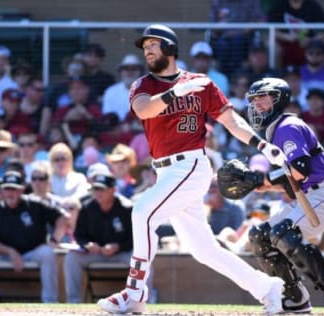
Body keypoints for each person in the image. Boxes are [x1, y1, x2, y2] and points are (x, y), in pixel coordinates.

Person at [96, 24, 285, 315]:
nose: (147, 51)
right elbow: (145, 109)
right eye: (144, 47)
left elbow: (231, 121)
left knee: (142, 211)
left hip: (190, 165)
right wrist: (174, 93)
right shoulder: (143, 85)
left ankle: (135, 292)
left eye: (153, 45)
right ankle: (267, 287)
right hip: (165, 171)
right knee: (204, 250)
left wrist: (262, 146)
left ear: (170, 48)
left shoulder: (201, 83)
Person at [244, 77, 324, 314]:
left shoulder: (287, 126)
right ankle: (294, 298)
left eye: (263, 97)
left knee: (284, 233)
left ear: (279, 99)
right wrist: (262, 184)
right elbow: (292, 183)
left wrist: (263, 180)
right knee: (259, 235)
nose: (257, 103)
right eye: (254, 99)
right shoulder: (274, 131)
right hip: (310, 193)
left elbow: (300, 170)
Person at [0, 170, 69, 303]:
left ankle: (50, 303)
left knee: (48, 252)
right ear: (2, 191)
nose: (10, 193)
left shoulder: (35, 204)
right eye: (7, 189)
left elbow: (62, 218)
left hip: (33, 251)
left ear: (21, 190)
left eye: (14, 189)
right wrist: (10, 252)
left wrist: (55, 239)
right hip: (5, 254)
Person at [63, 170, 134, 303]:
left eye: (102, 189)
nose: (98, 193)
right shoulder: (87, 208)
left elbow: (136, 239)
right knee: (71, 258)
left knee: (141, 260)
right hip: (96, 253)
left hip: (122, 253)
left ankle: (144, 300)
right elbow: (79, 235)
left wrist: (118, 246)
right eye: (96, 189)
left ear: (113, 190)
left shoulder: (127, 208)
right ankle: (73, 301)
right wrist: (87, 245)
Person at [267, 0, 324, 68]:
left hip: (308, 46)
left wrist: (311, 40)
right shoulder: (278, 5)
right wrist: (287, 37)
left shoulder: (313, 5)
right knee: (270, 44)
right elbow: (269, 30)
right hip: (285, 44)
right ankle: (275, 77)